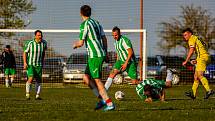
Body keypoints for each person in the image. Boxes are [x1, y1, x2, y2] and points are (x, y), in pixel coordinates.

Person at [73, 5, 115, 111]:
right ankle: (102, 99)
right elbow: (104, 39)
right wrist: (105, 52)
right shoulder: (96, 23)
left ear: (80, 13)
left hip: (95, 55)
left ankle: (109, 103)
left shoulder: (84, 25)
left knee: (97, 80)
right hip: (97, 54)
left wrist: (75, 45)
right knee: (86, 77)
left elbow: (81, 43)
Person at [182, 28, 214, 99]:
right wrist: (197, 60)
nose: (185, 37)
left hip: (202, 57)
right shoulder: (197, 38)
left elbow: (191, 50)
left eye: (186, 35)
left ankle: (209, 90)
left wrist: (186, 61)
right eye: (184, 36)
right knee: (196, 77)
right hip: (206, 57)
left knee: (200, 75)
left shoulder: (191, 39)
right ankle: (193, 94)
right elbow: (202, 49)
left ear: (190, 34)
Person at [104, 26, 139, 91]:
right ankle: (104, 90)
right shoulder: (116, 42)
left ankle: (148, 85)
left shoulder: (125, 40)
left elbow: (130, 52)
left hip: (130, 62)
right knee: (112, 73)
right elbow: (118, 52)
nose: (114, 37)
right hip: (120, 61)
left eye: (116, 35)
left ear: (120, 33)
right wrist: (117, 62)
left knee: (134, 82)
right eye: (113, 35)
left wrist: (125, 63)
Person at [23, 30, 47, 100]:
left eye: (41, 35)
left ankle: (37, 95)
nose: (40, 37)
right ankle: (27, 94)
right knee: (30, 78)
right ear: (35, 36)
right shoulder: (30, 43)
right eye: (39, 35)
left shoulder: (44, 43)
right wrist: (25, 62)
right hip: (30, 64)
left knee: (39, 80)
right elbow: (25, 53)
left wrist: (42, 62)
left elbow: (43, 53)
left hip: (39, 64)